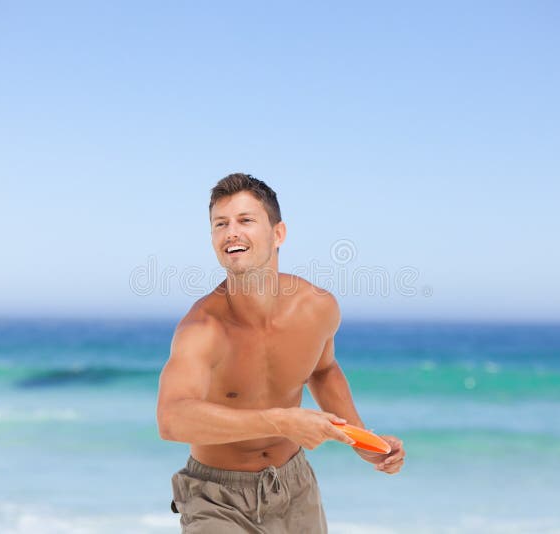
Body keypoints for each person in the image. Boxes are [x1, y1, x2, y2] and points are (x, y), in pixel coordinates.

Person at [156, 173, 405, 533]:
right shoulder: (202, 329)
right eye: (220, 224)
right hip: (216, 499)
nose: (231, 233)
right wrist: (280, 420)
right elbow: (172, 418)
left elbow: (323, 370)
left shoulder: (317, 308)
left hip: (295, 488)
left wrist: (361, 440)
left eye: (245, 220)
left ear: (278, 234)